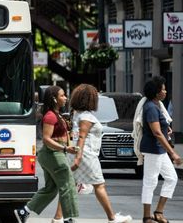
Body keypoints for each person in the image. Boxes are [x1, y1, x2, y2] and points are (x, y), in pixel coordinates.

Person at [14, 86, 79, 223]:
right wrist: (66, 149)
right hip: (54, 154)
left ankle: (24, 211)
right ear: (55, 99)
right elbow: (46, 138)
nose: (66, 98)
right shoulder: (50, 116)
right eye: (62, 96)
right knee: (68, 184)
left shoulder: (57, 114)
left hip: (51, 154)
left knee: (51, 188)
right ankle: (69, 218)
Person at [69, 84, 132, 223]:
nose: (97, 98)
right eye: (95, 96)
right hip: (87, 155)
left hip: (82, 153)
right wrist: (78, 158)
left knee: (69, 186)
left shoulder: (78, 114)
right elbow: (81, 137)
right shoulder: (86, 117)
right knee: (99, 184)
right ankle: (112, 217)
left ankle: (58, 217)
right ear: (89, 99)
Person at [139, 76, 182, 223]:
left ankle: (158, 212)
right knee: (150, 182)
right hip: (153, 149)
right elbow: (156, 132)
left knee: (172, 178)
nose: (165, 91)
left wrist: (166, 129)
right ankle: (146, 216)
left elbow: (160, 128)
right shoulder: (151, 107)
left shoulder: (156, 105)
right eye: (163, 89)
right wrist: (173, 152)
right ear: (156, 92)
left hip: (159, 150)